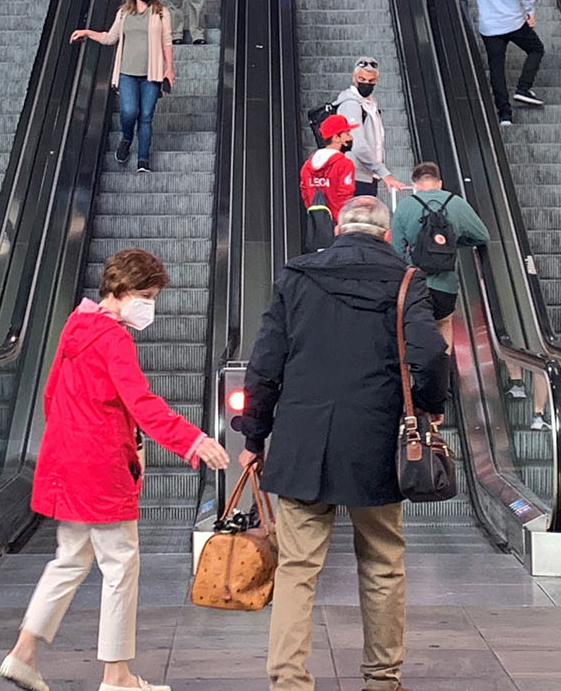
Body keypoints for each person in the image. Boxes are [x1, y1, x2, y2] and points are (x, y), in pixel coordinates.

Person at [235, 197, 450, 691]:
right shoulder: (404, 280)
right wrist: (429, 405)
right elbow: (431, 352)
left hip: (303, 438)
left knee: (296, 568)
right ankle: (381, 679)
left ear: (337, 226)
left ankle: (288, 682)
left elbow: (266, 360)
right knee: (382, 564)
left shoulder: (297, 275)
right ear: (385, 234)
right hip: (374, 441)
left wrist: (254, 433)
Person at [0, 249, 229, 691]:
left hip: (66, 462)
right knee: (121, 565)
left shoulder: (74, 327)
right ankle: (117, 676)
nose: (150, 305)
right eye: (145, 294)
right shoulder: (112, 338)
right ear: (120, 291)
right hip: (101, 467)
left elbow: (49, 396)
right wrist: (193, 440)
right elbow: (140, 402)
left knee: (69, 560)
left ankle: (23, 653)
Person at [72, 0, 176, 173]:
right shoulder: (124, 13)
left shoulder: (161, 12)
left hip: (151, 74)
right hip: (127, 72)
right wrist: (87, 32)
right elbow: (110, 37)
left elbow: (167, 41)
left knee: (146, 116)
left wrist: (169, 68)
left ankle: (143, 160)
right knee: (129, 112)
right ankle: (127, 138)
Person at [389, 162, 490, 345]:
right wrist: (453, 244)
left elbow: (396, 249)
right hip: (446, 285)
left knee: (413, 330)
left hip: (415, 284)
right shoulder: (456, 203)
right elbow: (482, 236)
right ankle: (442, 371)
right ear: (440, 183)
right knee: (443, 324)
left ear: (415, 185)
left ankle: (416, 371)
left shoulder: (404, 207)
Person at [456, 0, 545, 125]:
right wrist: (529, 10)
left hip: (489, 26)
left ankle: (504, 115)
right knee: (536, 49)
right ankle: (523, 87)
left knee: (496, 68)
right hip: (513, 20)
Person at [335, 57, 403, 196]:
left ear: (376, 81)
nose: (366, 83)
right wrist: (383, 172)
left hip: (367, 176)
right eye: (362, 79)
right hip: (354, 176)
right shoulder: (351, 105)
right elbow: (358, 144)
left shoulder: (370, 105)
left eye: (371, 81)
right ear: (354, 77)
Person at [299, 113, 359, 253]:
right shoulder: (344, 164)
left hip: (315, 226)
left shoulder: (307, 165)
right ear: (336, 138)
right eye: (347, 134)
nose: (351, 138)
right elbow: (345, 196)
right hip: (339, 228)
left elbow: (305, 193)